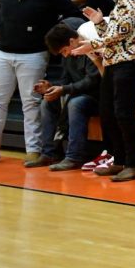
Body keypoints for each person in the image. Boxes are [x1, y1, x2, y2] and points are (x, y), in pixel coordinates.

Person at [0, 0, 81, 165]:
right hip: (4, 52)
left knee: (31, 102)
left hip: (34, 55)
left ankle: (34, 150)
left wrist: (51, 36)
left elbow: (73, 13)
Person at [74, 0, 135, 182]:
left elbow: (122, 31)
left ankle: (134, 163)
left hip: (131, 59)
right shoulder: (120, 1)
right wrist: (99, 24)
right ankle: (119, 160)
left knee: (123, 112)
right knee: (107, 110)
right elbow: (115, 33)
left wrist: (94, 44)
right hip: (116, 59)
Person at [34, 20, 101, 171]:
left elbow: (93, 80)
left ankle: (74, 156)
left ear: (72, 41)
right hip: (77, 94)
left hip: (98, 97)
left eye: (64, 51)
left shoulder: (90, 47)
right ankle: (49, 153)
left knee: (75, 103)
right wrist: (51, 88)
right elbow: (65, 80)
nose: (65, 55)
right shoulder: (69, 55)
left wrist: (63, 89)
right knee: (47, 102)